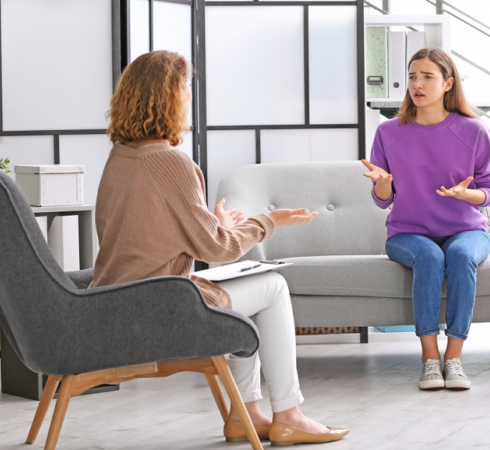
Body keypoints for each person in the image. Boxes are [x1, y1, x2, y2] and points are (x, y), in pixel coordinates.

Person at [91, 50, 348, 446]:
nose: (191, 94)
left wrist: (216, 225)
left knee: (242, 293)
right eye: (186, 87)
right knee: (273, 287)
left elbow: (145, 233)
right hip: (159, 304)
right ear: (168, 98)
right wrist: (268, 222)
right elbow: (219, 249)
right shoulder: (171, 162)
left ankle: (245, 414)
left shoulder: (121, 155)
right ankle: (288, 413)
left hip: (116, 300)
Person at [362, 48, 490, 391]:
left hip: (466, 230)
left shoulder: (473, 131)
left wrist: (467, 195)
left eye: (427, 77)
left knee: (460, 255)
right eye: (412, 76)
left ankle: (454, 358)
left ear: (448, 83)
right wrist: (383, 185)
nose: (417, 84)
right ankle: (429, 359)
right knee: (430, 256)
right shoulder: (388, 132)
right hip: (408, 233)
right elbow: (383, 202)